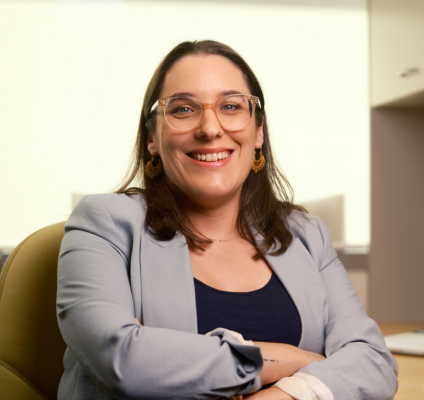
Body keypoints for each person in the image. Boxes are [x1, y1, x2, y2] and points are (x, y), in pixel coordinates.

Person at [56, 40, 398, 400]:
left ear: (258, 132)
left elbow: (372, 361)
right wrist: (290, 358)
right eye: (184, 109)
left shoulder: (306, 233)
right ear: (152, 138)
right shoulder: (103, 223)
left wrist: (288, 393)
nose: (210, 128)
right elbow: (123, 360)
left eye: (231, 106)